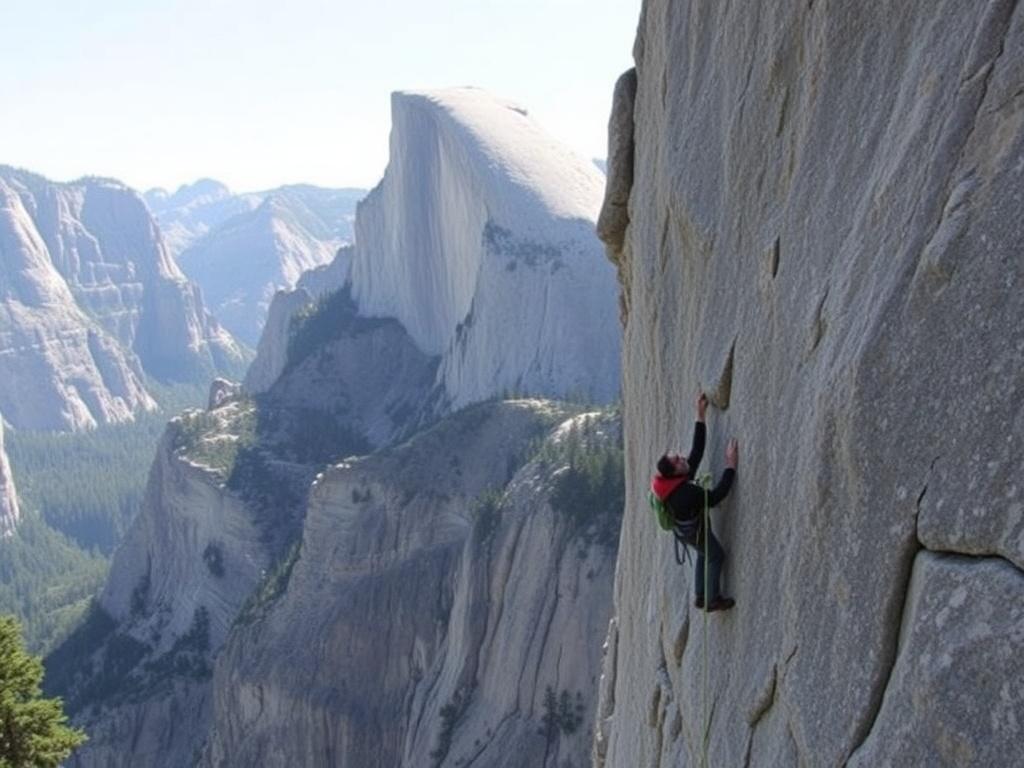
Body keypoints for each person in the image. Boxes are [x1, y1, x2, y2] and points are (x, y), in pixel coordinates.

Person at [651, 392, 738, 612]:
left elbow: (697, 452)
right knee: (716, 555)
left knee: (702, 551)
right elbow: (716, 496)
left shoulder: (671, 482)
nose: (682, 458)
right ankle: (712, 599)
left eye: (678, 456)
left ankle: (700, 594)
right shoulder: (685, 492)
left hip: (685, 531)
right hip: (692, 530)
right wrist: (730, 466)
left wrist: (700, 415)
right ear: (674, 471)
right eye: (677, 460)